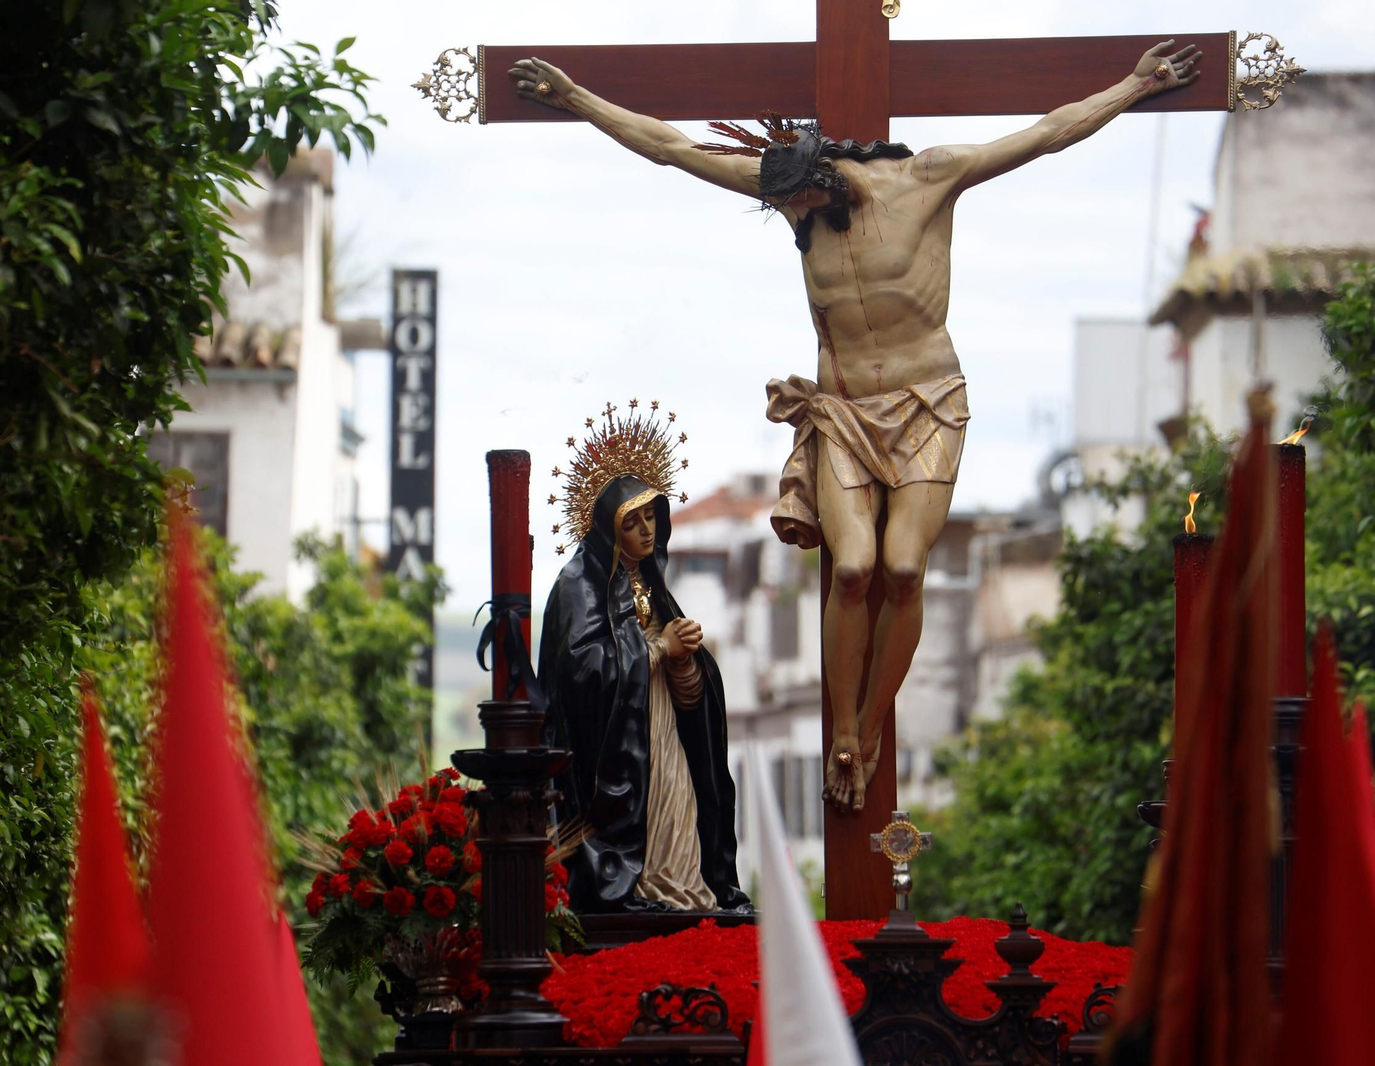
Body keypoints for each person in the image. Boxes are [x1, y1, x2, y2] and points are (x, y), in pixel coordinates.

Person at [510, 41, 1202, 814]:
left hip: (927, 404)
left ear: (831, 178)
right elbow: (672, 148)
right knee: (851, 570)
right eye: (788, 209)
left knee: (902, 569)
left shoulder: (930, 179)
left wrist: (1133, 86)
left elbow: (1045, 133)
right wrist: (576, 98)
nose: (796, 218)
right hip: (842, 413)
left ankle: (867, 729)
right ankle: (842, 728)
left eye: (804, 203)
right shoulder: (792, 196)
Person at [539, 447, 748, 913]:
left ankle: (680, 887)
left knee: (678, 799)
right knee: (646, 804)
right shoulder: (579, 583)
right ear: (608, 528)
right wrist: (658, 650)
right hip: (614, 738)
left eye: (651, 517)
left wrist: (685, 660)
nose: (646, 530)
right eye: (632, 523)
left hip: (660, 723)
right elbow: (582, 669)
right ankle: (639, 885)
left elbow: (690, 695)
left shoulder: (652, 583)